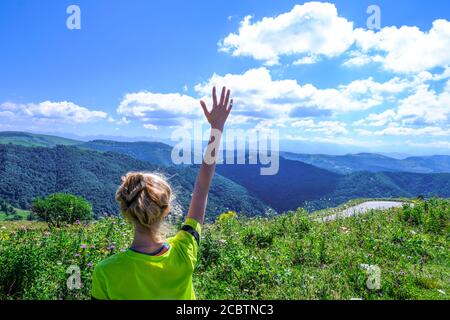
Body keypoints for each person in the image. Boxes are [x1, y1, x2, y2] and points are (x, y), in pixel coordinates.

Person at [91, 86, 233, 300]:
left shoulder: (106, 271)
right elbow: (201, 189)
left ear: (125, 210)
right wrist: (217, 129)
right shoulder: (183, 253)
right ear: (166, 210)